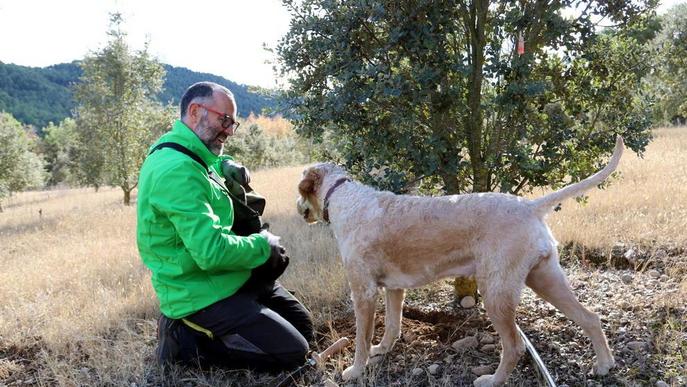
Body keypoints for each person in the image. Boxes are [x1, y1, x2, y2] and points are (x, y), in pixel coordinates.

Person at [136, 81, 314, 371]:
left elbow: (206, 162)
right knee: (294, 354)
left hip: (228, 278)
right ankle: (185, 338)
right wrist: (263, 246)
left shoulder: (184, 147)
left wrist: (227, 165)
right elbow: (211, 252)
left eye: (233, 123)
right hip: (198, 292)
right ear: (195, 111)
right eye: (224, 120)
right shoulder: (175, 171)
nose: (230, 131)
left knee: (305, 330)